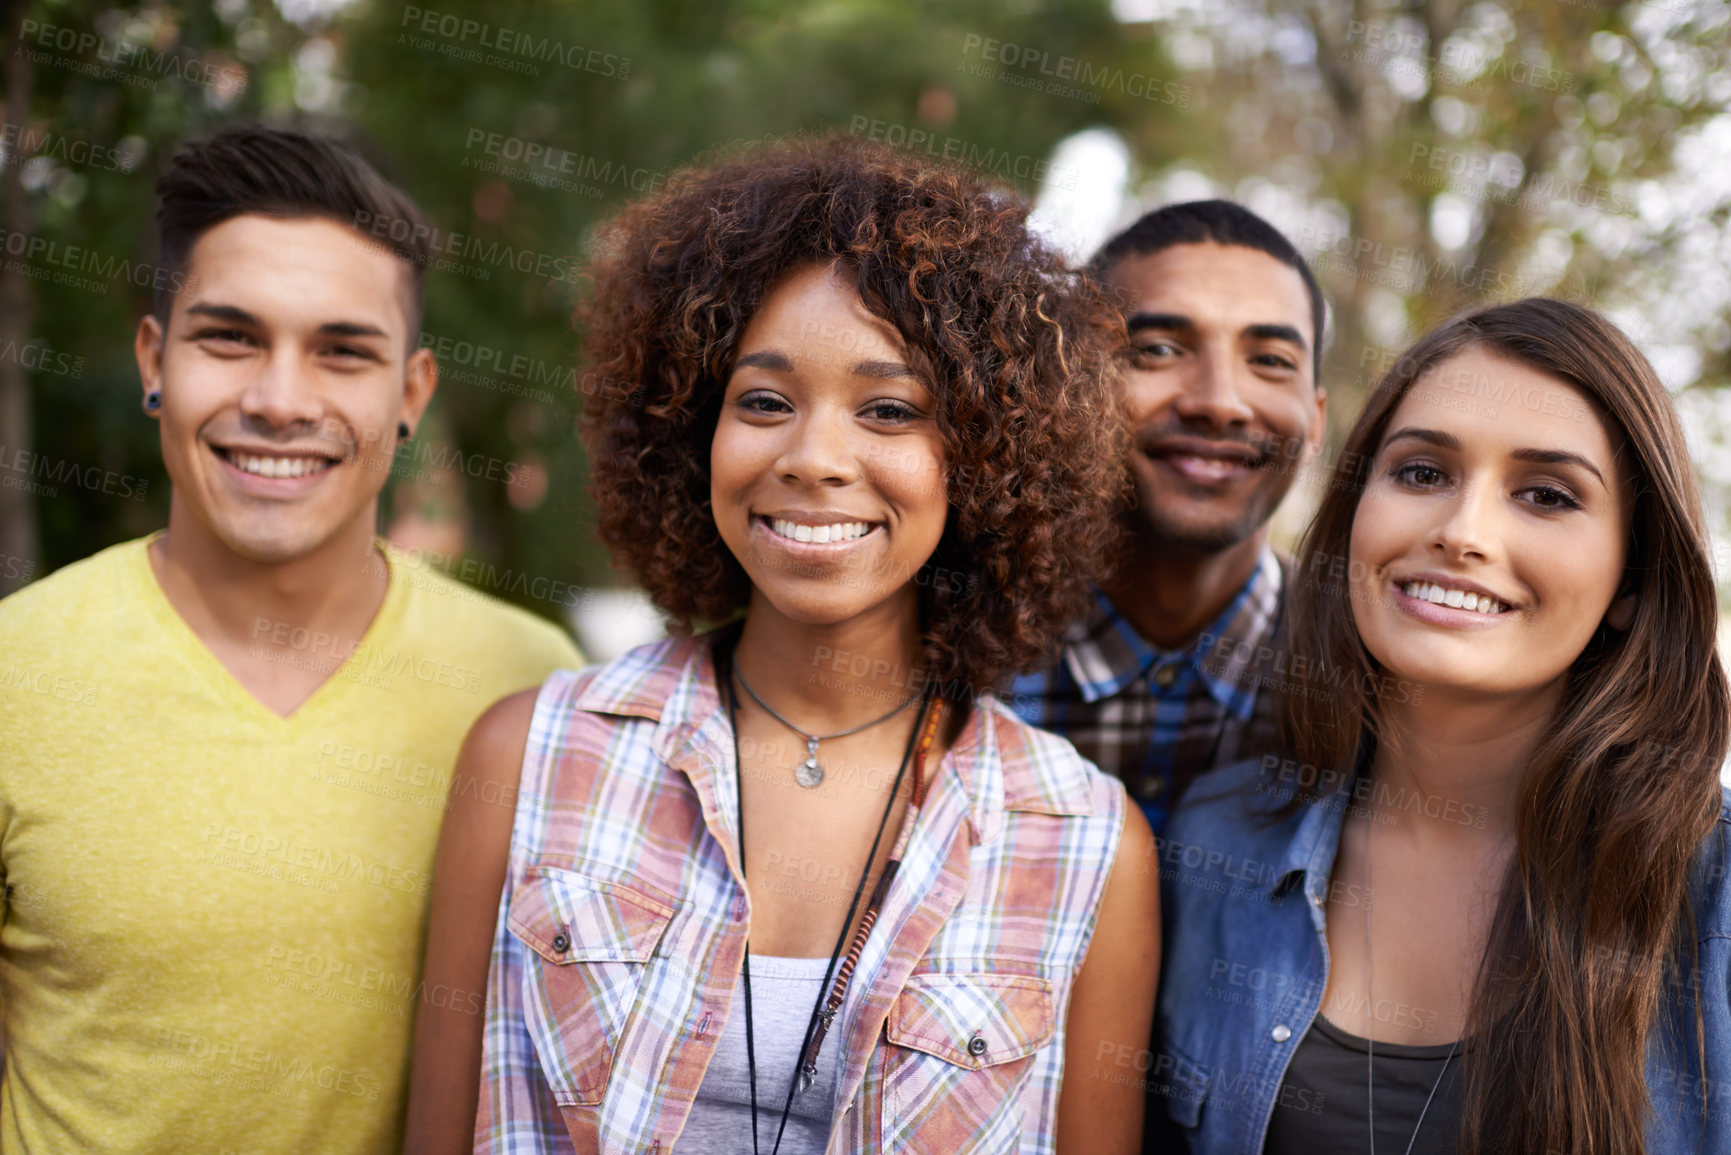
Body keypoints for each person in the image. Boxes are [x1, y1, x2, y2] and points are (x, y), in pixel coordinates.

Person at [404, 136, 1159, 1154]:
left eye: (888, 410)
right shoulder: (531, 761)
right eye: (763, 401)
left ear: (982, 461)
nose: (813, 459)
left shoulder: (1080, 843)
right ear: (688, 433)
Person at [0, 124, 582, 1154]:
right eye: (228, 337)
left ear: (409, 396)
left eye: (343, 351)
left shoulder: (537, 692)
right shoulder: (16, 673)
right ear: (154, 362)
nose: (278, 400)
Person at [1153, 298, 1731, 1153]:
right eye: (1422, 473)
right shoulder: (1213, 843)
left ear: (1631, 582)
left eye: (1545, 494)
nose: (1462, 533)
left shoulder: (1714, 899)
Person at [1010, 200, 1330, 835]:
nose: (1219, 402)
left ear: (1316, 418)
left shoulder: (1364, 686)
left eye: (1270, 360)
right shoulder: (953, 649)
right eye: (1157, 349)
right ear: (1073, 383)